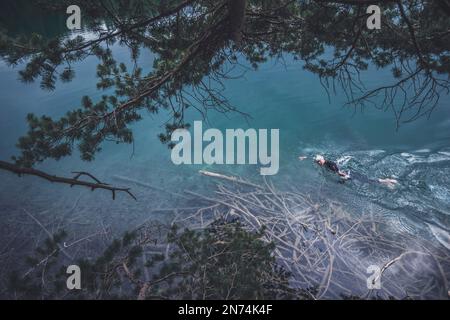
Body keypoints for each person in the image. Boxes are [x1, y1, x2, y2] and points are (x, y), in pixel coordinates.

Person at [300, 154, 399, 188]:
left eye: (319, 162)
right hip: (345, 174)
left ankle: (387, 181)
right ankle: (386, 183)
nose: (318, 163)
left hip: (348, 174)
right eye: (317, 162)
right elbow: (313, 157)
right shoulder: (322, 161)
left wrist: (343, 178)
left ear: (322, 159)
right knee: (366, 181)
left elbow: (338, 171)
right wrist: (304, 157)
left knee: (367, 181)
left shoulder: (330, 164)